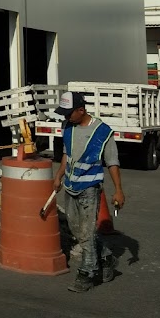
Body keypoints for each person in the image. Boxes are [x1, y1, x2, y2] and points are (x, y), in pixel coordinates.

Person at [51, 90, 126, 292]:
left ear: (81, 110)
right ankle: (107, 257)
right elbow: (67, 154)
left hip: (90, 188)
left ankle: (87, 272)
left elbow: (112, 162)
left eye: (69, 113)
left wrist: (118, 190)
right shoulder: (68, 126)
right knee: (77, 229)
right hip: (71, 186)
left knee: (87, 231)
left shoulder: (102, 132)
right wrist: (58, 176)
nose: (66, 117)